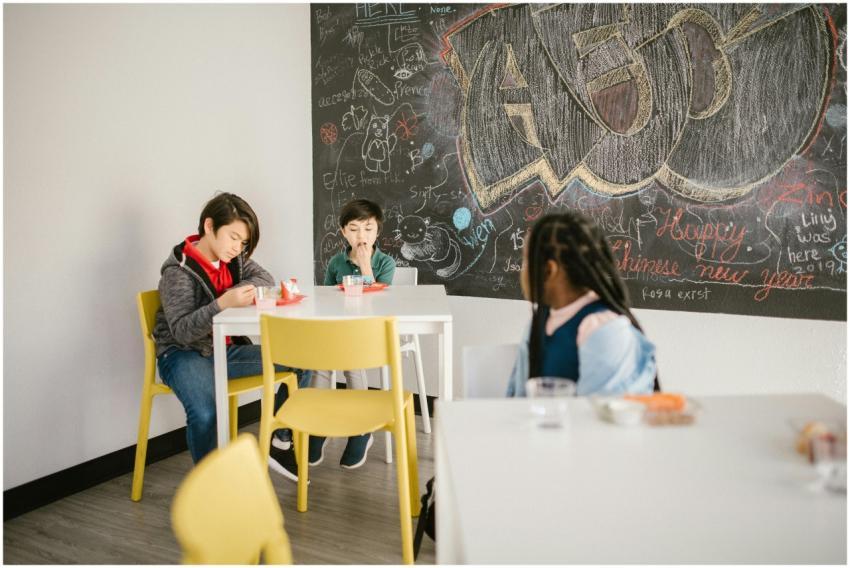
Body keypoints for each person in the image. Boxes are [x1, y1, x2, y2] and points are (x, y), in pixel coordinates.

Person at [153, 192, 308, 480]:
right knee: (206, 413)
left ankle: (280, 442)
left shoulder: (234, 261)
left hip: (223, 351)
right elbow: (183, 332)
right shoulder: (178, 272)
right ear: (209, 226)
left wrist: (231, 294)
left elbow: (265, 279)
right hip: (181, 354)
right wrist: (224, 303)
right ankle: (212, 489)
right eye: (233, 237)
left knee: (302, 358)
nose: (238, 247)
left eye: (243, 241)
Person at [507, 211, 658, 396]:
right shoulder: (538, 321)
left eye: (525, 261)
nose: (522, 271)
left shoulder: (603, 329)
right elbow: (518, 395)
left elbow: (600, 415)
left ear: (549, 270)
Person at [311, 198, 395, 469]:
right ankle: (318, 426)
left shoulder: (386, 263)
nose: (362, 236)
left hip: (369, 332)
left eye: (368, 229)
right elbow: (324, 300)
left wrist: (365, 266)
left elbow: (381, 303)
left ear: (377, 232)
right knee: (320, 365)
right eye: (355, 229)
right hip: (338, 330)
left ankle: (361, 429)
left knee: (352, 364)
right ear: (343, 232)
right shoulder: (336, 263)